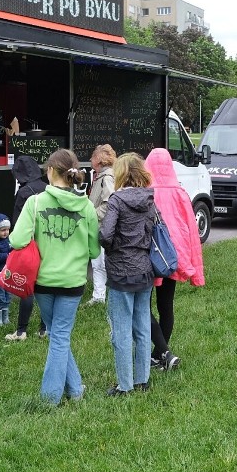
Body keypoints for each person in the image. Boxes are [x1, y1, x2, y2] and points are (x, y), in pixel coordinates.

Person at [9, 149, 99, 405]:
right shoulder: (87, 207)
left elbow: (16, 240)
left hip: (42, 282)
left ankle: (50, 399)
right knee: (60, 335)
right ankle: (75, 390)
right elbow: (94, 250)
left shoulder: (34, 203)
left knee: (57, 334)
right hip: (73, 283)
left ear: (49, 171)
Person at [99, 152, 155, 395]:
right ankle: (143, 380)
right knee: (143, 327)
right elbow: (152, 231)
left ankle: (125, 385)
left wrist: (114, 250)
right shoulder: (150, 199)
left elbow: (105, 235)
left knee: (121, 331)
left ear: (121, 173)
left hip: (121, 272)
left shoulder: (116, 200)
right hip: (145, 269)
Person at [145, 148, 205, 371]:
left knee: (143, 306)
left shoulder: (145, 191)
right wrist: (195, 267)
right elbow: (192, 231)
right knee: (166, 306)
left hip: (150, 255)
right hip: (172, 256)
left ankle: (162, 352)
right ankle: (159, 354)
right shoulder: (181, 193)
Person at [5, 155, 48, 341]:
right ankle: (44, 328)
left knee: (27, 288)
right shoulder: (48, 188)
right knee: (45, 288)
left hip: (29, 245)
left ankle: (21, 331)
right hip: (47, 244)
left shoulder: (23, 193)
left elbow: (17, 224)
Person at [86, 144, 117, 306]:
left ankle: (102, 296)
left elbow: (109, 204)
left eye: (93, 156)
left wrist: (91, 216)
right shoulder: (101, 176)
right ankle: (99, 297)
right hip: (100, 227)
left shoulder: (107, 178)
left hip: (103, 228)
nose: (91, 159)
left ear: (99, 159)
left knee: (101, 264)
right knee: (97, 263)